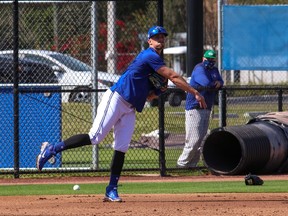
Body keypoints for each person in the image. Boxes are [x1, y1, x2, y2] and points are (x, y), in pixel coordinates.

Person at [36, 26, 207, 202]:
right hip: (116, 98)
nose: (160, 40)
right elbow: (173, 75)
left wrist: (158, 91)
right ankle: (52, 149)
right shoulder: (149, 56)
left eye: (162, 38)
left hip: (130, 108)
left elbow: (149, 96)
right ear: (149, 41)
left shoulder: (154, 66)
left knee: (121, 148)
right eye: (156, 37)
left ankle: (111, 189)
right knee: (95, 137)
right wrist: (194, 92)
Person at [177, 49, 224, 168]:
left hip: (206, 107)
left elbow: (221, 82)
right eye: (208, 59)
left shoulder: (214, 69)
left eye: (213, 59)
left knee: (201, 139)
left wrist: (218, 83)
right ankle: (182, 164)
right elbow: (206, 83)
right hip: (194, 107)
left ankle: (192, 165)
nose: (211, 62)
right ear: (204, 59)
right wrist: (216, 83)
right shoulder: (199, 68)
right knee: (193, 138)